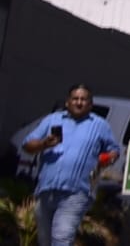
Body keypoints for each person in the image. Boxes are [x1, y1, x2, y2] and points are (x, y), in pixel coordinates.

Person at [21, 85, 120, 246]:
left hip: (76, 193)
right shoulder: (53, 119)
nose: (79, 102)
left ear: (90, 104)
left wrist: (108, 158)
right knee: (44, 240)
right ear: (68, 102)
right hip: (46, 190)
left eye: (83, 99)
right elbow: (27, 145)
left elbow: (114, 150)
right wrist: (43, 144)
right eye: (75, 99)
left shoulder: (100, 125)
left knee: (62, 237)